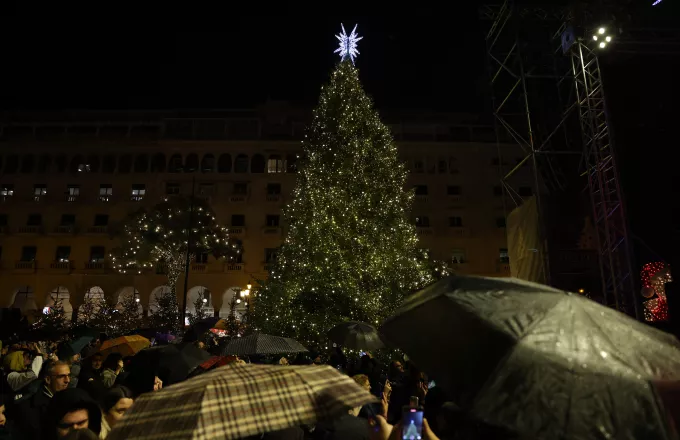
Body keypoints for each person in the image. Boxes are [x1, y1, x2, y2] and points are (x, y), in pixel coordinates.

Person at [10, 360, 71, 439]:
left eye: (69, 375)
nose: (67, 380)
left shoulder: (69, 399)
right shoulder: (29, 408)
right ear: (48, 379)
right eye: (61, 376)